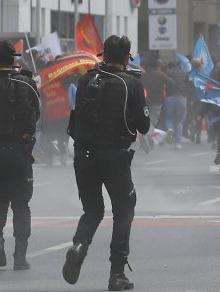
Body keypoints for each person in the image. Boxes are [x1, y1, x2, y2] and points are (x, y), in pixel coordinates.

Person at [62, 35, 150, 291]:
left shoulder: (85, 79)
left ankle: (79, 245)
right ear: (126, 57)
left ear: (103, 55)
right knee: (124, 209)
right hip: (114, 156)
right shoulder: (130, 84)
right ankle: (116, 273)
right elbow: (144, 125)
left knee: (92, 211)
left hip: (84, 155)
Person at [0, 40, 40, 270]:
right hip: (20, 153)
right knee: (21, 204)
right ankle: (20, 256)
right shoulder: (28, 84)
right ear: (13, 59)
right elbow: (35, 117)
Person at [164, 60, 189, 149]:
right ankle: (177, 143)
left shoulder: (167, 72)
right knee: (179, 121)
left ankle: (170, 132)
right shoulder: (183, 72)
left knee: (169, 119)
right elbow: (187, 84)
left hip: (170, 97)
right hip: (182, 97)